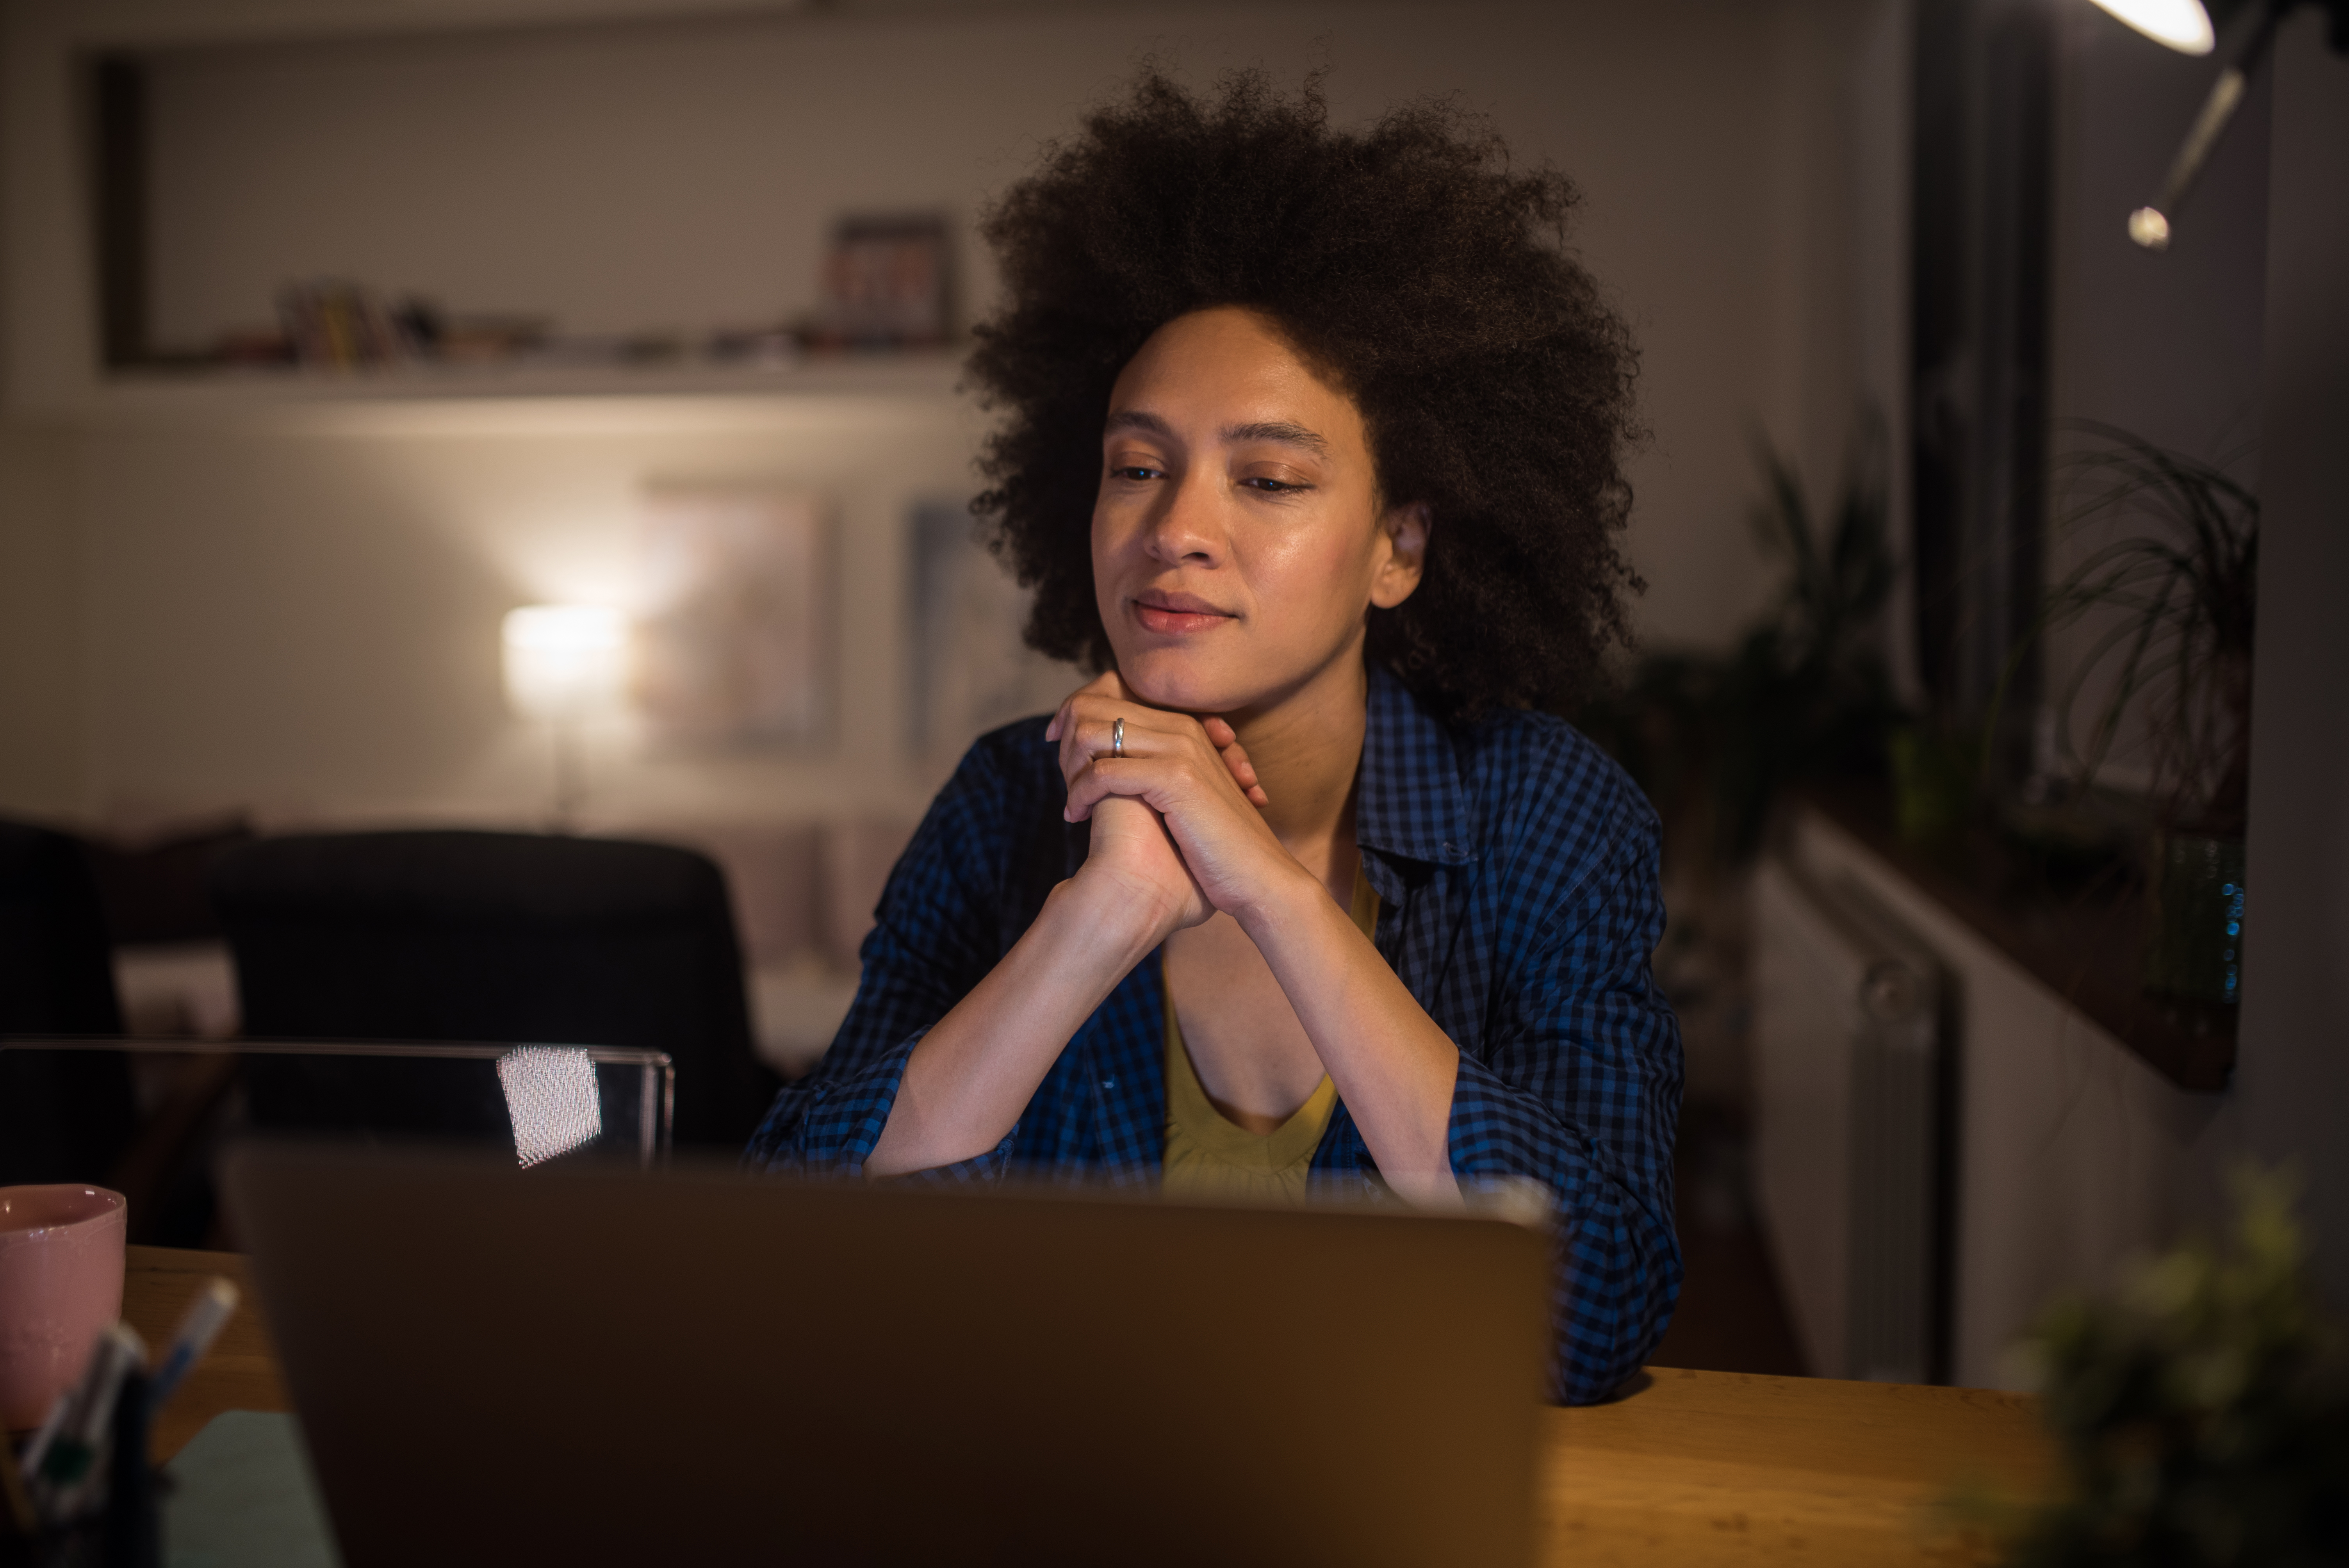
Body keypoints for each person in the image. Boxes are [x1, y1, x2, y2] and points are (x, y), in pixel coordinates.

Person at [747, 69, 1682, 1404]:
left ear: (1398, 549)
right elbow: (792, 1235)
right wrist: (1097, 919)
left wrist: (1273, 893)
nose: (1176, 526)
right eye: (1138, 465)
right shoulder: (1011, 802)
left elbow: (1591, 1318)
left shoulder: (1542, 813)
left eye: (1270, 479)